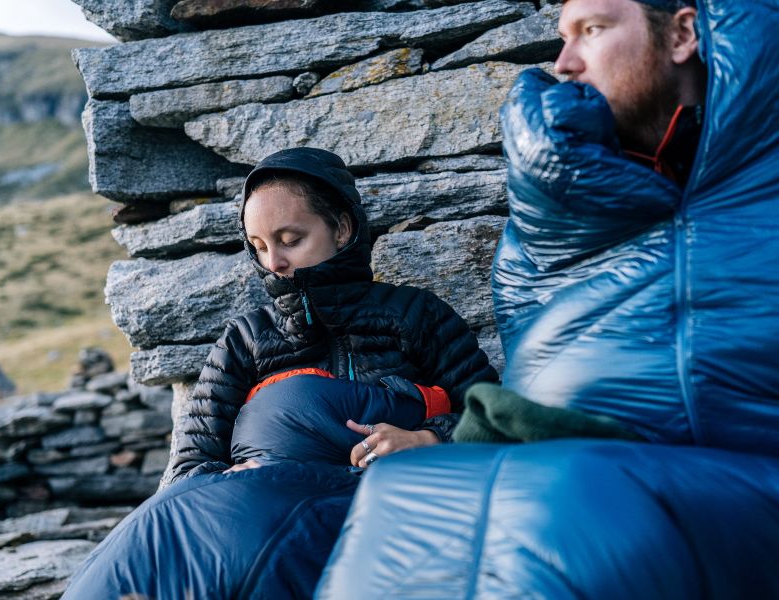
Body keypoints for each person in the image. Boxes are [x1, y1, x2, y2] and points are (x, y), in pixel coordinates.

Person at [314, 1, 779, 597]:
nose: (564, 63)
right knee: (409, 490)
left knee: (562, 498)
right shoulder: (547, 224)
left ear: (683, 33)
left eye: (592, 30)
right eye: (562, 37)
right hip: (595, 483)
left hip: (694, 491)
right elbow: (540, 389)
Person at [62, 147, 497, 600]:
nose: (274, 262)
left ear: (342, 228)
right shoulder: (245, 340)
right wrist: (237, 477)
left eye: (290, 240)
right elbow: (192, 461)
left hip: (375, 508)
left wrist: (427, 439)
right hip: (254, 510)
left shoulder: (417, 316)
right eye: (260, 246)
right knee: (145, 536)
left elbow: (493, 414)